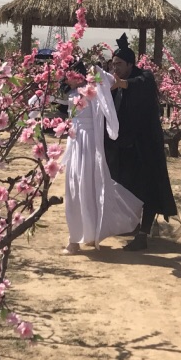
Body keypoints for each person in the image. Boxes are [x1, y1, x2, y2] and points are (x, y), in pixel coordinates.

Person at [104, 34, 180, 251]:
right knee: (126, 189)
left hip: (144, 149)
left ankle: (143, 234)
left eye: (119, 64)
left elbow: (141, 85)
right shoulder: (114, 83)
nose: (115, 68)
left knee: (147, 190)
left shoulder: (143, 78)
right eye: (113, 65)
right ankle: (133, 226)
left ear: (130, 64)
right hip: (123, 149)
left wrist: (123, 83)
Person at [61, 61, 142, 253]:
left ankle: (83, 236)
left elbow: (109, 80)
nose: (65, 78)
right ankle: (81, 235)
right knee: (74, 189)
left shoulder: (92, 91)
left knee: (88, 188)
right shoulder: (72, 94)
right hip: (75, 142)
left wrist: (96, 72)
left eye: (69, 74)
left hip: (88, 144)